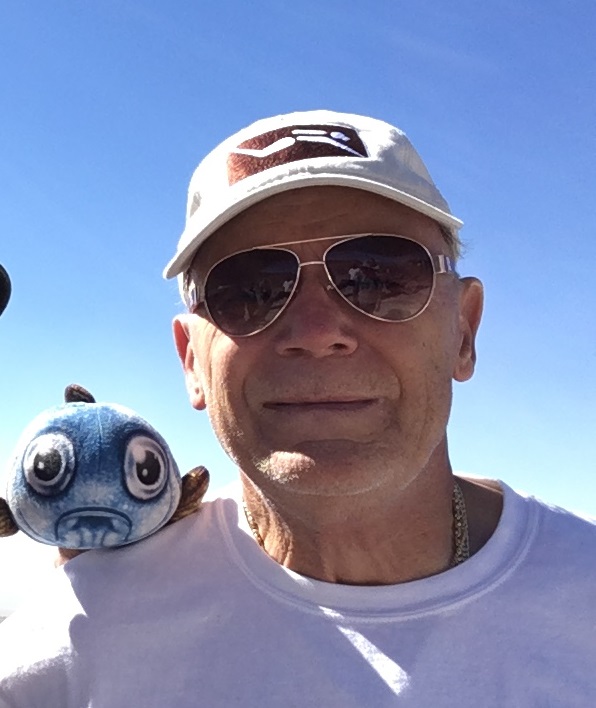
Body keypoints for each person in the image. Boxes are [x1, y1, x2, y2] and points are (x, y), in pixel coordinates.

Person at [1, 109, 595, 707]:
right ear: (192, 362)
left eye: (380, 277)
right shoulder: (78, 637)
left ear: (463, 332)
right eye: (249, 289)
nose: (315, 331)